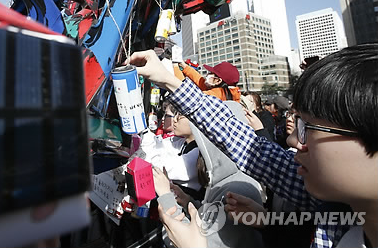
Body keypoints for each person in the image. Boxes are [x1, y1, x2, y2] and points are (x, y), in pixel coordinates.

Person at [126, 43, 378, 248]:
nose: (296, 142)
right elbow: (245, 143)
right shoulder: (335, 207)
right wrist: (169, 81)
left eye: (309, 128)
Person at [153, 112, 265, 248]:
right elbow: (212, 220)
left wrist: (166, 196)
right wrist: (189, 202)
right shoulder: (232, 181)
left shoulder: (236, 191)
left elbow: (190, 242)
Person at [173, 61, 241, 101]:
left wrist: (175, 67)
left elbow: (186, 95)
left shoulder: (214, 95)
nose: (207, 75)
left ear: (218, 81)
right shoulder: (229, 93)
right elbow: (199, 80)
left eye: (211, 73)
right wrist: (183, 65)